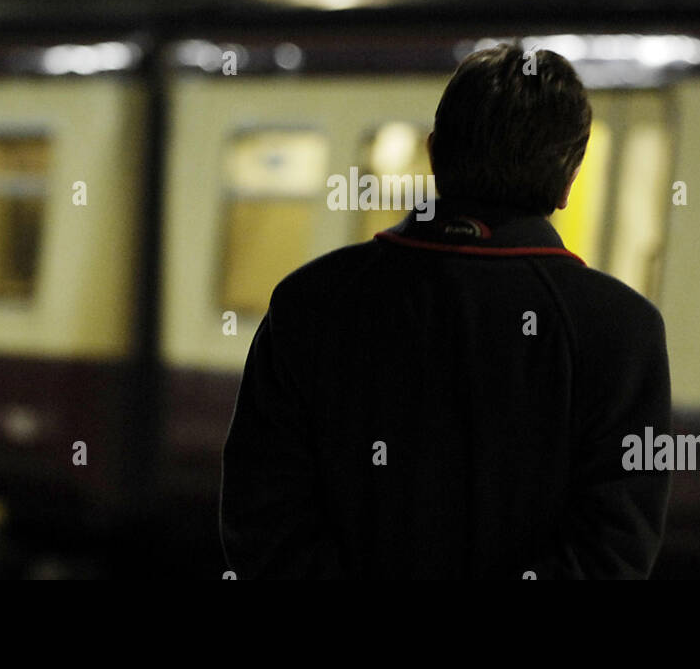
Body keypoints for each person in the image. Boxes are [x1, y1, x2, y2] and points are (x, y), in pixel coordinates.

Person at [220, 42, 671, 578]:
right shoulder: (622, 330)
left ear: (434, 154)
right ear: (569, 178)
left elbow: (262, 522)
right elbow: (611, 552)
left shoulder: (309, 301)